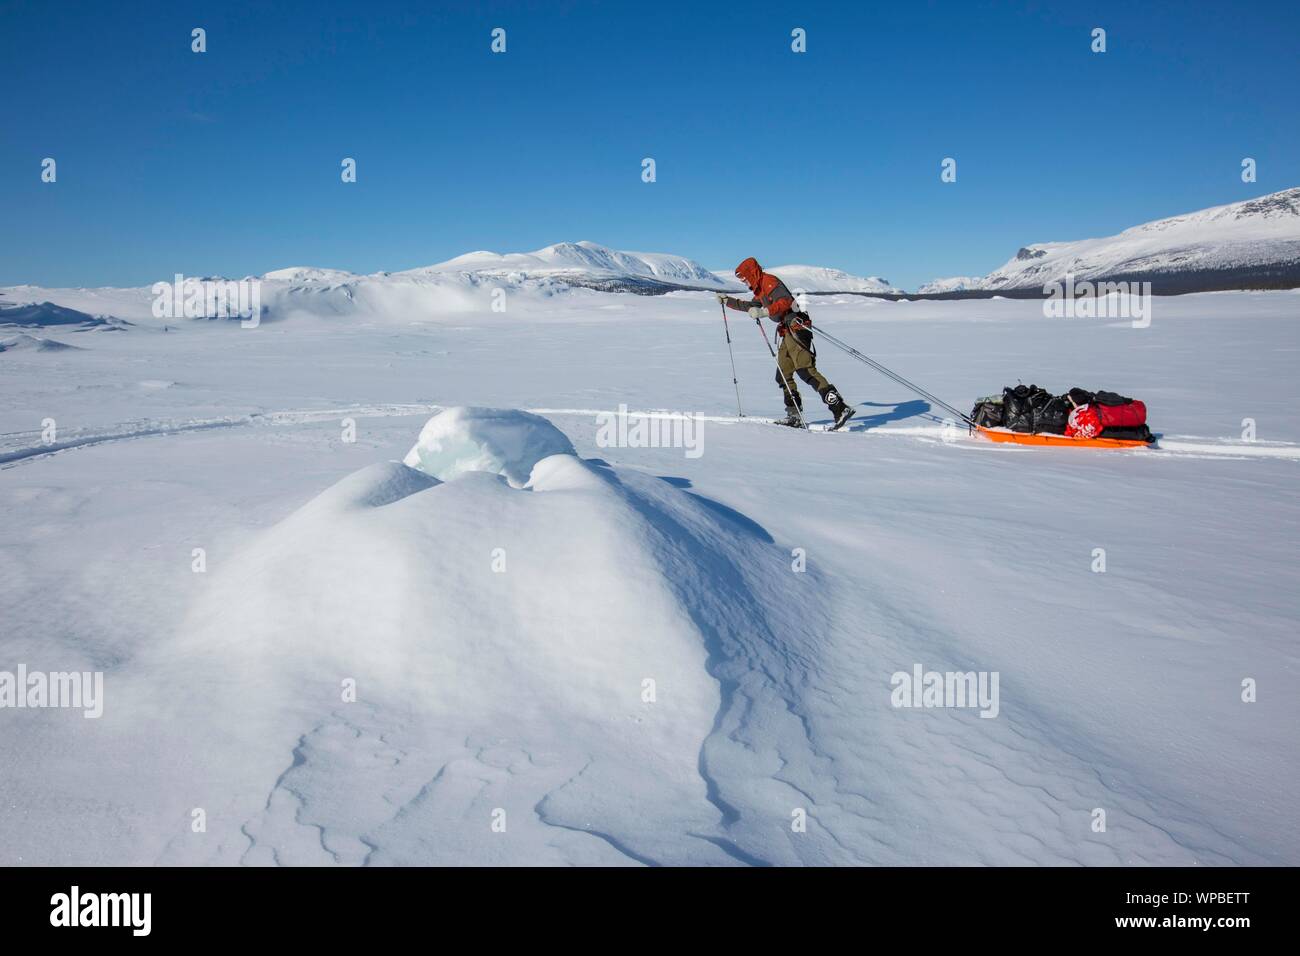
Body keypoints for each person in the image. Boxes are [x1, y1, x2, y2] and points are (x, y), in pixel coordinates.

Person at [718, 257, 855, 429]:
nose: (744, 282)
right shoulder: (760, 289)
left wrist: (765, 311)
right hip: (787, 331)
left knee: (806, 371)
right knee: (783, 373)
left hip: (797, 328)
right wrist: (727, 301)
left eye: (744, 278)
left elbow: (785, 302)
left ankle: (840, 408)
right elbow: (751, 306)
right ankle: (794, 415)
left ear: (751, 273)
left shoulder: (769, 282)